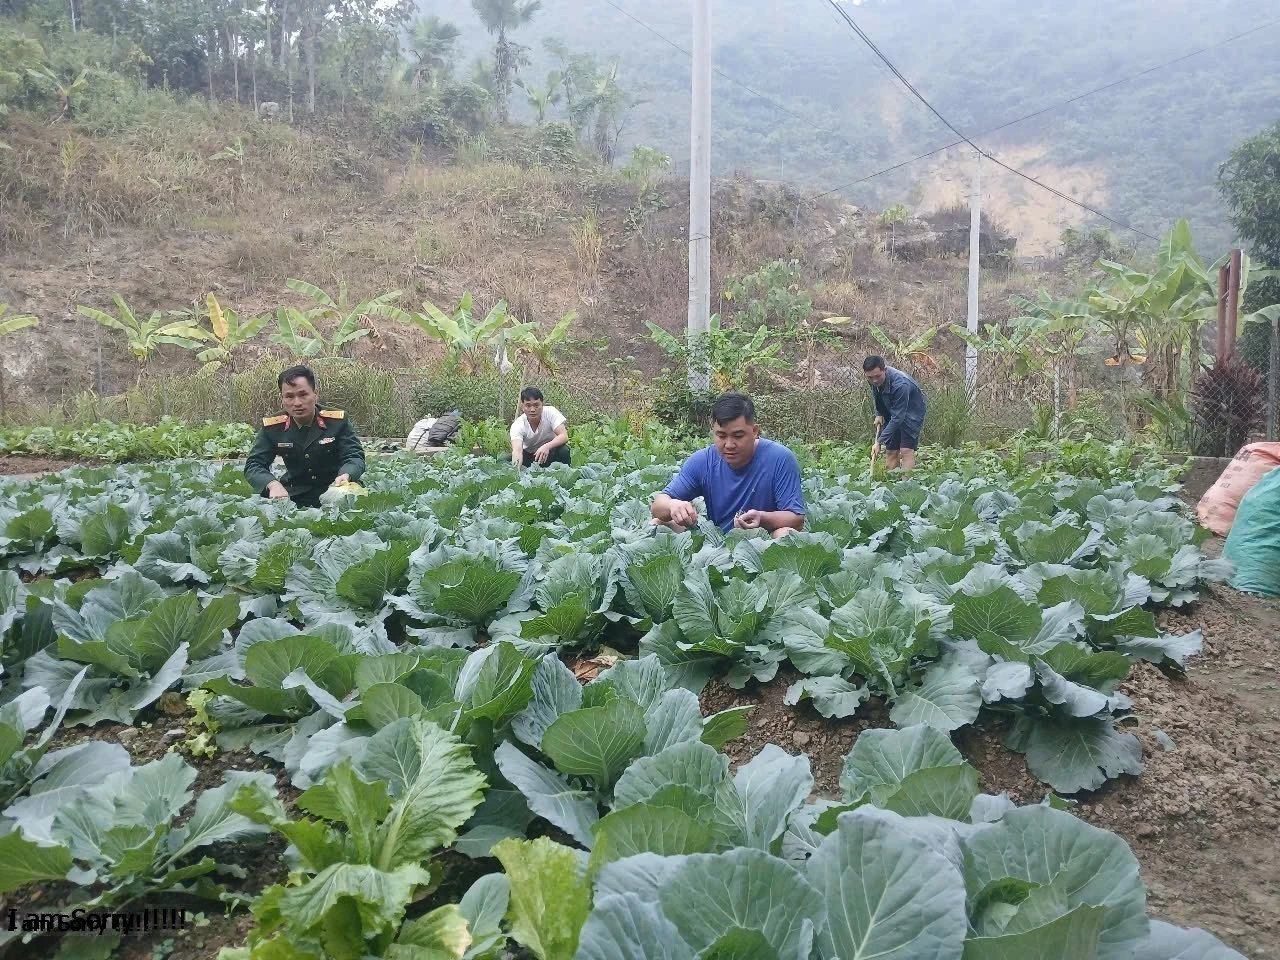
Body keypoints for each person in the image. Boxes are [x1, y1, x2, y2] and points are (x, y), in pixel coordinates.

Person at [651, 392, 805, 538]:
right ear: (714, 432)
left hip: (764, 545)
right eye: (721, 436)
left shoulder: (780, 458)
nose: (729, 444)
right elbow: (658, 506)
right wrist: (673, 505)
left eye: (738, 436)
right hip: (716, 545)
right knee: (658, 524)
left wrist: (762, 518)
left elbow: (796, 519)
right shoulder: (702, 461)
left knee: (786, 534)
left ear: (755, 431)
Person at [244, 365, 366, 507]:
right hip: (295, 494)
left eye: (303, 395)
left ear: (315, 394)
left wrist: (346, 474)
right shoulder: (273, 426)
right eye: (289, 396)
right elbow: (254, 464)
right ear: (282, 398)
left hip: (336, 490)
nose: (297, 403)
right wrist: (272, 484)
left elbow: (354, 456)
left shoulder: (337, 421)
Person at [864, 355, 927, 473]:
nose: (874, 380)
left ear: (885, 370)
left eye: (877, 376)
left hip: (912, 411)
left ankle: (905, 487)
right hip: (892, 407)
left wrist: (879, 442)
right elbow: (876, 394)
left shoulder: (900, 385)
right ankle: (892, 482)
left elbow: (898, 418)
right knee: (891, 450)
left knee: (906, 450)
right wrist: (879, 413)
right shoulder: (873, 379)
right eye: (870, 377)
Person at [509, 387, 570, 469]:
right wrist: (516, 473)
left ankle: (565, 476)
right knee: (504, 461)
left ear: (542, 404)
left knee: (564, 451)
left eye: (536, 405)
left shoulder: (551, 412)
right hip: (529, 456)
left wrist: (546, 446)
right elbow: (517, 450)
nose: (532, 409)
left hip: (550, 453)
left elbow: (564, 436)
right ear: (522, 407)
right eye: (528, 405)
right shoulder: (518, 425)